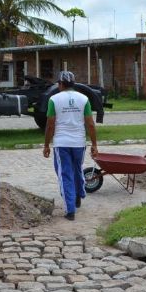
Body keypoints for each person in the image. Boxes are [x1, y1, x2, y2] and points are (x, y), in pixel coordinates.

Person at [42, 71, 98, 220]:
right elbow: (90, 124)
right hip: (79, 142)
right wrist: (94, 144)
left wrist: (46, 145)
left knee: (65, 174)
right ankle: (78, 195)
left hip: (61, 143)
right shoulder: (84, 99)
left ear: (60, 84)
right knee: (77, 169)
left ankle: (70, 210)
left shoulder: (54, 99)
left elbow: (50, 125)